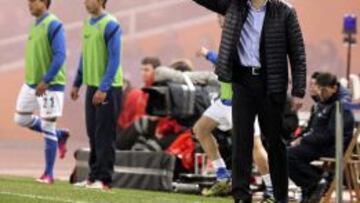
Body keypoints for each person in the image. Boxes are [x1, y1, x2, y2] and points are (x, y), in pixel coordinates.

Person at [192, 0, 307, 202]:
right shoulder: (235, 5)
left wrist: (298, 90)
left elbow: (297, 53)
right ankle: (241, 196)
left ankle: (280, 197)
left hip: (271, 83)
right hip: (242, 81)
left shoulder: (285, 11)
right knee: (241, 142)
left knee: (275, 143)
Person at [195, 47, 274, 200]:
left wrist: (207, 54)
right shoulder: (230, 36)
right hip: (224, 102)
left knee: (255, 147)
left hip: (242, 102)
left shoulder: (245, 37)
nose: (220, 21)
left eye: (222, 20)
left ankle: (273, 189)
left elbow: (227, 63)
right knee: (201, 129)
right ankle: (223, 176)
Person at [14, 0, 69, 184]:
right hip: (31, 84)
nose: (29, 4)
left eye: (33, 1)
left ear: (45, 2)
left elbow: (60, 55)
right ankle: (60, 135)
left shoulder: (54, 24)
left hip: (50, 86)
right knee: (20, 119)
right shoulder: (33, 25)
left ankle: (48, 174)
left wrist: (46, 79)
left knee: (47, 127)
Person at [71, 0, 123, 190]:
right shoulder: (86, 24)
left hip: (108, 88)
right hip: (92, 86)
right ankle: (93, 177)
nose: (86, 2)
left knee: (105, 135)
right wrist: (77, 82)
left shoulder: (111, 24)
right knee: (92, 133)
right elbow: (84, 55)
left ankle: (104, 179)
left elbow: (114, 58)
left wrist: (104, 87)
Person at [288, 72, 355, 203]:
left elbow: (331, 135)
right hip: (318, 144)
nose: (320, 93)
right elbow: (313, 129)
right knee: (285, 153)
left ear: (334, 88)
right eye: (319, 89)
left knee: (289, 156)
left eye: (323, 90)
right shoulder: (323, 103)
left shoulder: (340, 105)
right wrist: (300, 138)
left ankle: (316, 182)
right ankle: (314, 184)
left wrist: (304, 140)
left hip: (332, 147)